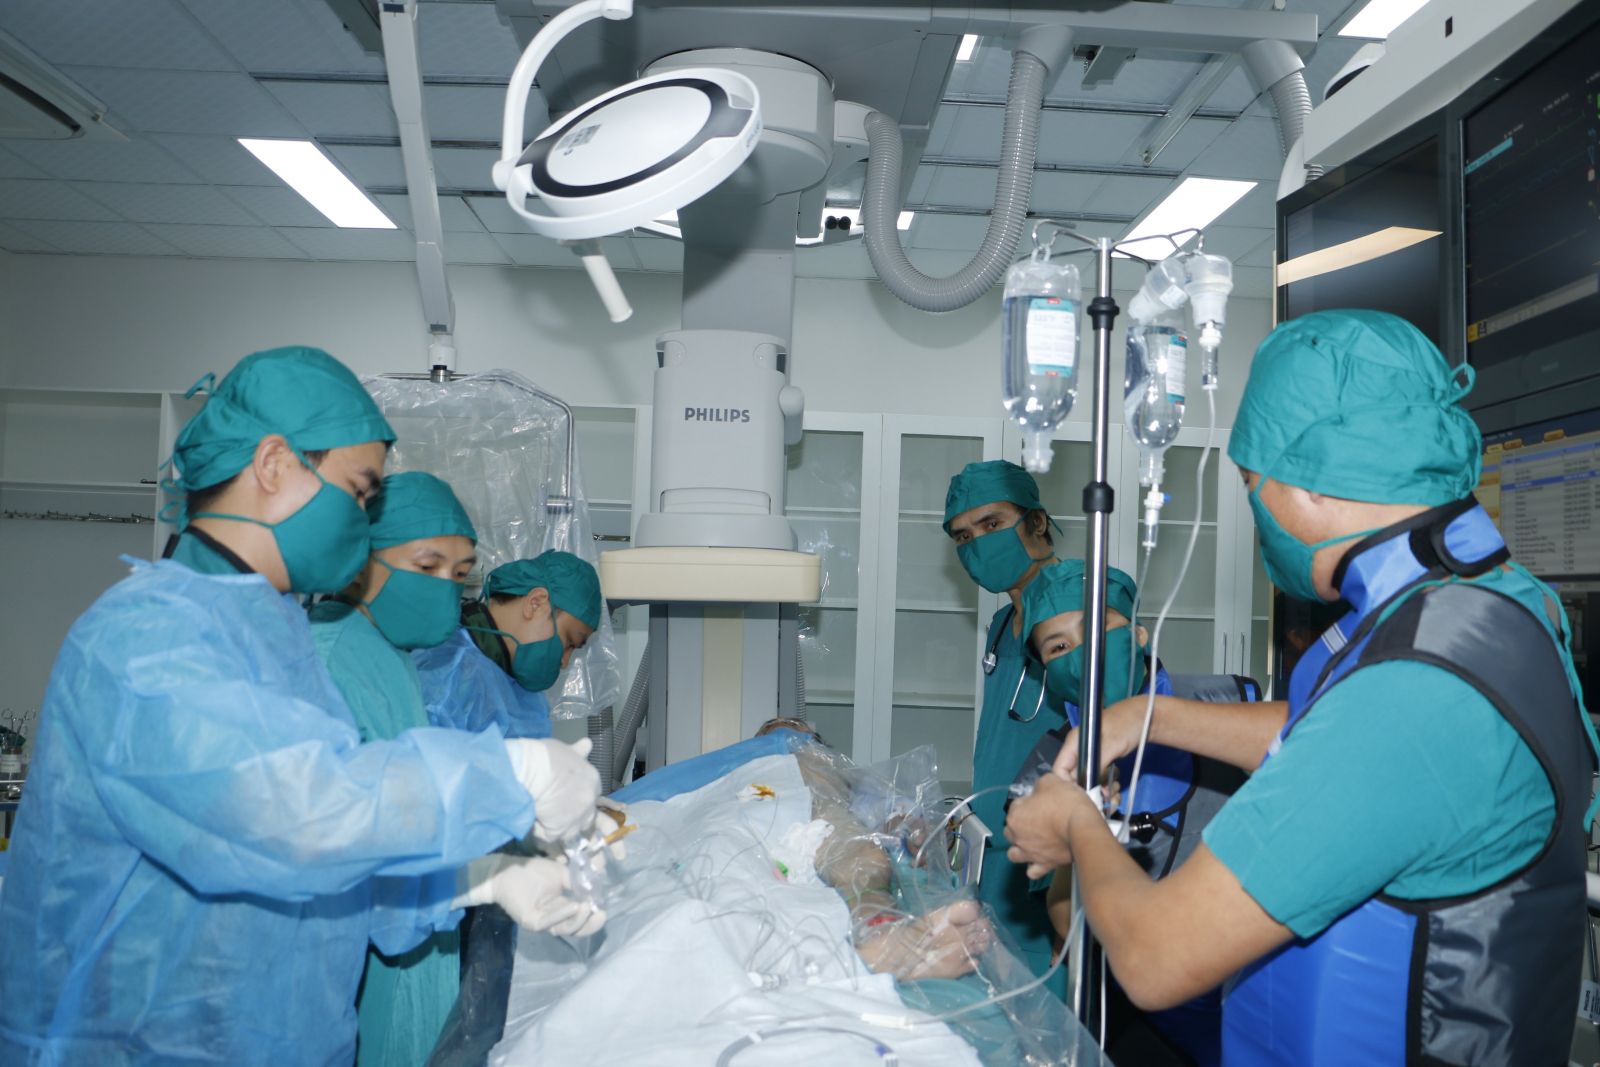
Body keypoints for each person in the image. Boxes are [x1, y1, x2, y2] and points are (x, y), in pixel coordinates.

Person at [1005, 310, 1599, 1066]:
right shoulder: (1481, 600)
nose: (1256, 511)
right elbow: (1326, 728)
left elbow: (1157, 957)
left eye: (1252, 484)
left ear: (1310, 480)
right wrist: (1148, 716)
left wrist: (1077, 826)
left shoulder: (1416, 694)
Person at [0, 346, 605, 1066]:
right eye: (359, 491)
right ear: (273, 464)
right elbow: (291, 814)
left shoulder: (279, 641)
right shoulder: (146, 638)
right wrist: (509, 773)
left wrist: (475, 879)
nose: (364, 521)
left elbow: (331, 865)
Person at [309, 470, 547, 1067]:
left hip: (405, 967)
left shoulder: (390, 655)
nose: (446, 588)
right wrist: (486, 870)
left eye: (460, 574)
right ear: (358, 560)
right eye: (427, 565)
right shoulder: (329, 659)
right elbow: (347, 849)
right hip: (347, 977)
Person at [1020, 560, 1232, 1067]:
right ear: (1046, 671)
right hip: (1128, 1004)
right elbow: (1063, 915)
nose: (1084, 653)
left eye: (1097, 628)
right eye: (1058, 647)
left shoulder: (1230, 703)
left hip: (1241, 982)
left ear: (1138, 633)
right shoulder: (1052, 760)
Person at [941, 459, 1062, 993]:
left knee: (1049, 1014)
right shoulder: (1001, 624)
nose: (979, 544)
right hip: (994, 858)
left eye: (992, 524)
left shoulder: (1076, 609)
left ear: (1037, 521)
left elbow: (1113, 739)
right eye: (963, 537)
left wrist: (1070, 893)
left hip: (1049, 867)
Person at [414, 550, 601, 739]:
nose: (565, 662)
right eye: (569, 641)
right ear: (536, 603)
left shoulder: (526, 697)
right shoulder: (444, 671)